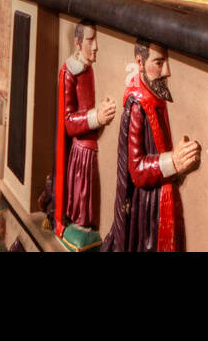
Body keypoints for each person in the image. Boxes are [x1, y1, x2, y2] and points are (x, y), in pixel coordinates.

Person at [101, 40, 200, 251]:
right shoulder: (138, 105)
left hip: (161, 198)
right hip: (149, 208)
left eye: (167, 62)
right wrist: (173, 162)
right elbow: (136, 169)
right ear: (140, 62)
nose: (167, 71)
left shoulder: (156, 98)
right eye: (159, 62)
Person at [52, 22, 116, 251]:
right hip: (80, 150)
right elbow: (68, 122)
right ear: (78, 43)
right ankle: (75, 225)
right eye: (90, 41)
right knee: (81, 199)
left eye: (96, 39)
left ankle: (84, 227)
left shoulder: (87, 71)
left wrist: (101, 115)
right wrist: (96, 117)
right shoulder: (70, 72)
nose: (96, 46)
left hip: (89, 147)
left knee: (89, 203)